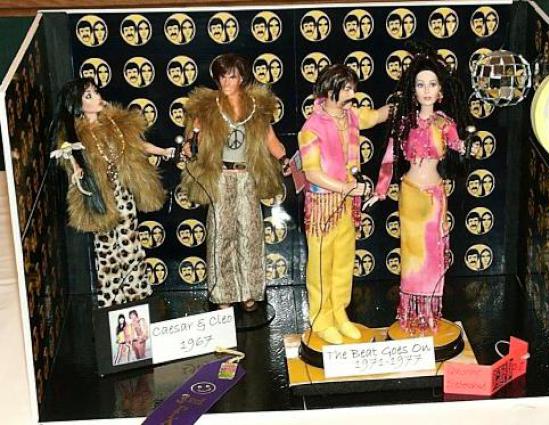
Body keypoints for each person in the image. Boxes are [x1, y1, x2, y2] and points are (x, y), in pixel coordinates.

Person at [365, 48, 474, 333]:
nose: (426, 90)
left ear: (440, 91)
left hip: (434, 196)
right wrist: (379, 190)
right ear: (413, 90)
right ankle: (411, 314)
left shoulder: (446, 124)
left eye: (432, 84)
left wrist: (466, 146)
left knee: (434, 256)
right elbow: (389, 158)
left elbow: (459, 148)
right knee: (412, 256)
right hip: (410, 195)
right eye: (421, 84)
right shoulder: (404, 123)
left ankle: (430, 314)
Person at [49, 78, 173, 308]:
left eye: (96, 92)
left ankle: (137, 295)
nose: (97, 97)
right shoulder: (75, 135)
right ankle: (111, 300)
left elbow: (137, 146)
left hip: (122, 194)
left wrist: (162, 151)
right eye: (89, 96)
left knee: (130, 243)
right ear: (77, 105)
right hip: (100, 197)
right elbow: (70, 158)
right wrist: (76, 171)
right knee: (106, 248)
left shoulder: (115, 124)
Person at [180, 53, 290, 312]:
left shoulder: (256, 107)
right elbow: (193, 137)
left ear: (241, 77)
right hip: (220, 177)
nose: (226, 82)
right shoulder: (208, 107)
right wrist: (189, 145)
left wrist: (284, 158)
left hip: (246, 177)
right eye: (222, 77)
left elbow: (270, 139)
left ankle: (249, 292)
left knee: (250, 234)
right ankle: (223, 294)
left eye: (231, 76)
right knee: (221, 236)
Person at [298, 64, 389, 344]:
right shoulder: (311, 128)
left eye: (353, 88)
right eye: (347, 89)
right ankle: (321, 319)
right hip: (323, 206)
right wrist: (346, 188)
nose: (352, 94)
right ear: (329, 90)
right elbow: (312, 173)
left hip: (347, 207)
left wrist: (406, 100)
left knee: (343, 262)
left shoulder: (351, 116)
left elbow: (377, 116)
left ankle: (339, 313)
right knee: (321, 265)